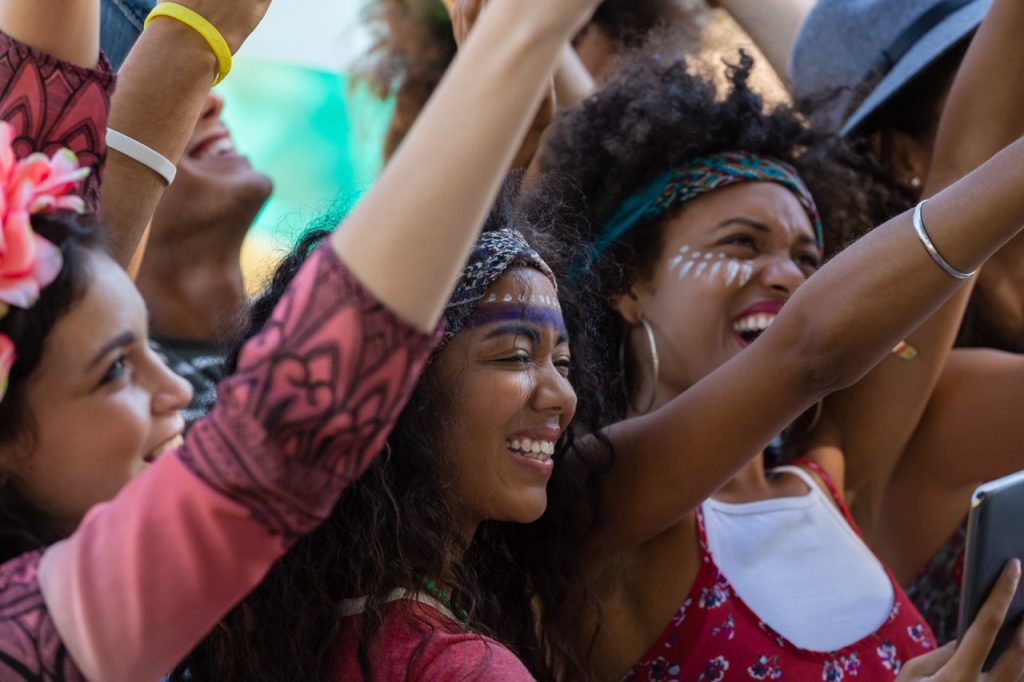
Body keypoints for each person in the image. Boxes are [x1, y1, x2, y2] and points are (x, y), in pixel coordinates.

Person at [527, 37, 1024, 677]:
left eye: (809, 261)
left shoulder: (837, 470)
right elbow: (810, 350)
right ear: (627, 283)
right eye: (743, 242)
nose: (789, 276)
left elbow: (960, 173)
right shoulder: (599, 495)